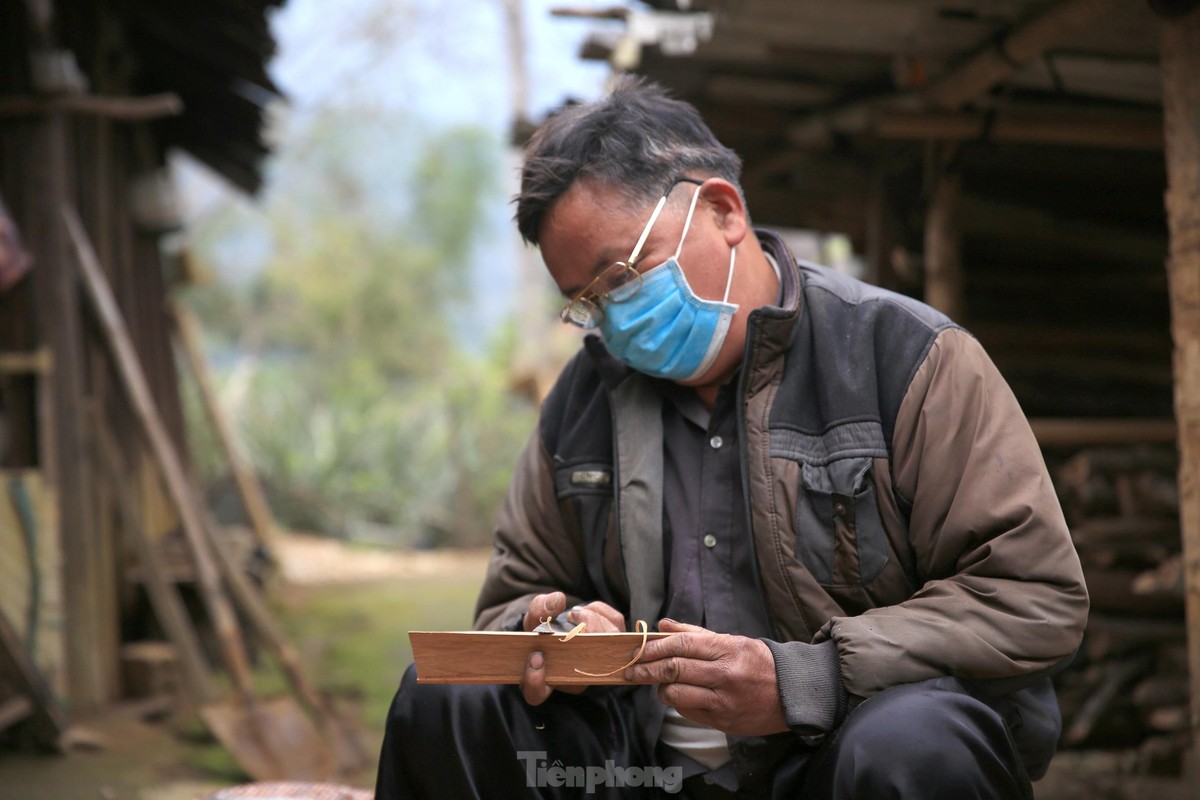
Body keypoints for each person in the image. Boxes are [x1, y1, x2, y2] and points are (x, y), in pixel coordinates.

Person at [375, 76, 1089, 800]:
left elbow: (1030, 596)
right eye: (586, 303)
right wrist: (552, 633)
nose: (614, 318)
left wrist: (807, 680)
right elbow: (513, 600)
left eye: (622, 276)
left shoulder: (905, 359)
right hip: (632, 769)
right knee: (448, 698)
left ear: (722, 211)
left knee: (914, 745)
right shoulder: (585, 397)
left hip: (835, 758)